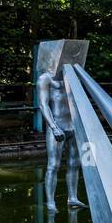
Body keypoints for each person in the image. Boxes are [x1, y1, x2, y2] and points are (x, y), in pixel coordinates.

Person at [38, 64, 86, 213]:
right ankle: (51, 202)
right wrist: (53, 126)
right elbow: (43, 104)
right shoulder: (45, 78)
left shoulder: (71, 76)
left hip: (74, 126)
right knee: (53, 165)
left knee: (74, 164)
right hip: (57, 126)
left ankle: (72, 197)